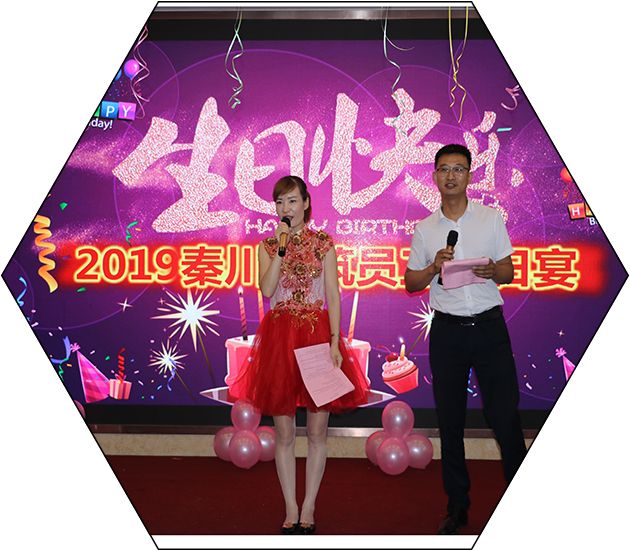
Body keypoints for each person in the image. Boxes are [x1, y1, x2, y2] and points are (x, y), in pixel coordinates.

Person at [230, 175, 370, 535]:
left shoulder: (323, 243)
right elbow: (266, 289)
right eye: (280, 202)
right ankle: (290, 507)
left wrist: (336, 342)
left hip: (317, 336)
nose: (286, 208)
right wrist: (281, 249)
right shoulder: (266, 245)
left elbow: (333, 295)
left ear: (306, 204)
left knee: (317, 430)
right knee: (284, 432)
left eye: (292, 201)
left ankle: (309, 506)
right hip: (279, 339)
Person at [404, 144, 527, 535]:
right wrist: (433, 267)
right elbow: (411, 283)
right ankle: (457, 505)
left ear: (470, 175)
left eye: (459, 169)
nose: (451, 176)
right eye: (444, 169)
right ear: (435, 177)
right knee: (451, 420)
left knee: (504, 416)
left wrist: (493, 271)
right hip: (448, 334)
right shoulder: (425, 229)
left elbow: (509, 271)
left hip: (489, 329)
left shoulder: (491, 218)